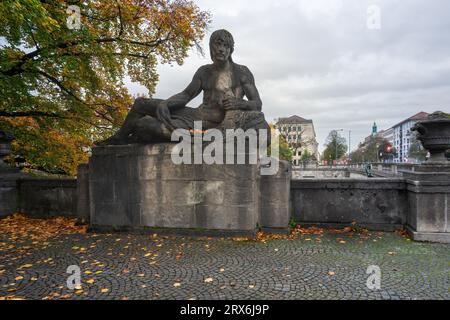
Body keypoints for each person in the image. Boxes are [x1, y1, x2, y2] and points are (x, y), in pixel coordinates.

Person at [99, 29, 268, 145]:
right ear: (211, 47)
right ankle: (119, 138)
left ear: (231, 49)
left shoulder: (241, 72)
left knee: (144, 125)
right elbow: (186, 95)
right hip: (195, 115)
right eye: (218, 44)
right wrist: (165, 104)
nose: (221, 49)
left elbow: (257, 104)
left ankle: (144, 135)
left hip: (212, 125)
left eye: (225, 46)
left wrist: (239, 104)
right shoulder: (204, 72)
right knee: (140, 104)